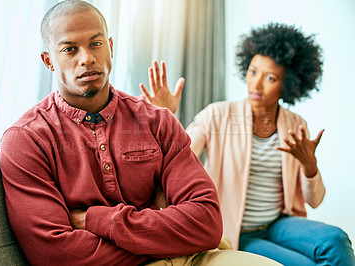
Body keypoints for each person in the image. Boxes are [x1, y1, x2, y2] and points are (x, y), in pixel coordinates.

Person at [0, 1, 281, 265]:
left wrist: (99, 219)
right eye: (69, 49)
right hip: (177, 250)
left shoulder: (158, 121)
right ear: (48, 61)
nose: (86, 58)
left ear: (110, 47)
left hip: (195, 258)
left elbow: (206, 223)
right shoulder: (26, 139)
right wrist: (169, 238)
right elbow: (55, 255)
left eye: (96, 44)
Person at [141, 23, 355, 265]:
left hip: (278, 223)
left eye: (270, 77)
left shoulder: (295, 124)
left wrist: (309, 166)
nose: (256, 84)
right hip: (235, 227)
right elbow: (177, 161)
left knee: (336, 239)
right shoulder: (217, 115)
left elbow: (314, 200)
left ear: (288, 84)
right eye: (253, 72)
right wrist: (164, 117)